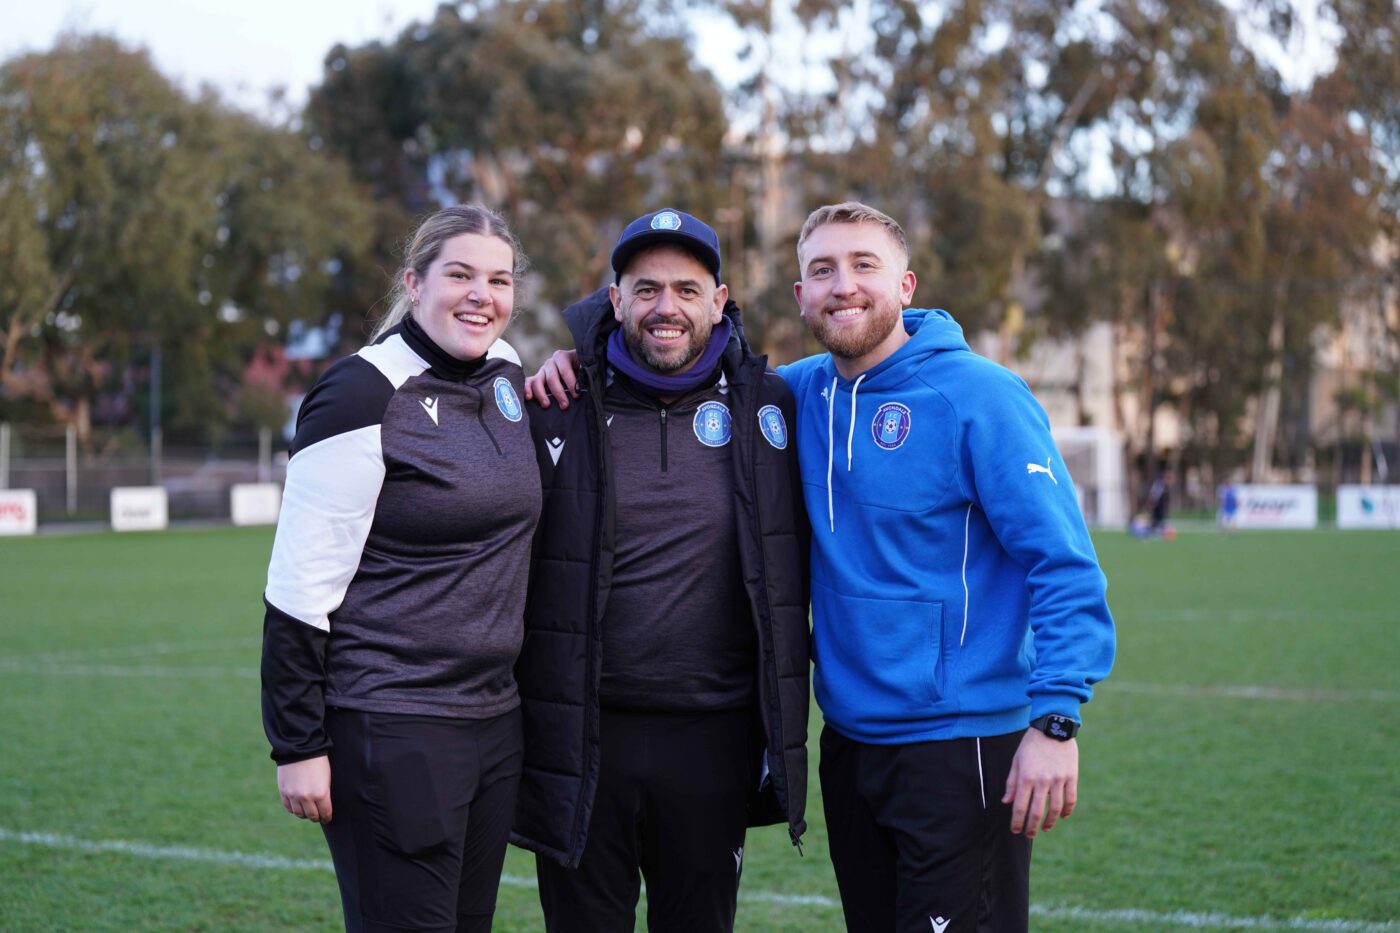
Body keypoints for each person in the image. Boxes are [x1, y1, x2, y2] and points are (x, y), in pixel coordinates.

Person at [529, 200, 1116, 931]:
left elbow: (1063, 563)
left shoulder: (981, 396)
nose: (843, 285)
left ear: (906, 284)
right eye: (821, 270)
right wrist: (573, 356)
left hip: (959, 742)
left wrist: (1057, 719)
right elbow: (657, 348)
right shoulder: (790, 395)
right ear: (799, 294)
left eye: (864, 265)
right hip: (851, 745)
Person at [512, 208, 811, 933]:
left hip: (714, 740)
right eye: (646, 289)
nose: (665, 307)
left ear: (719, 297)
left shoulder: (773, 405)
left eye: (686, 288)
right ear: (615, 300)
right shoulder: (554, 404)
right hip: (585, 737)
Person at [260, 204, 541, 933]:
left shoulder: (508, 373)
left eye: (499, 279)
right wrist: (298, 746)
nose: (482, 294)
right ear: (415, 283)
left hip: (493, 722)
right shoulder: (361, 392)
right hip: (394, 723)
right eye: (460, 275)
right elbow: (299, 586)